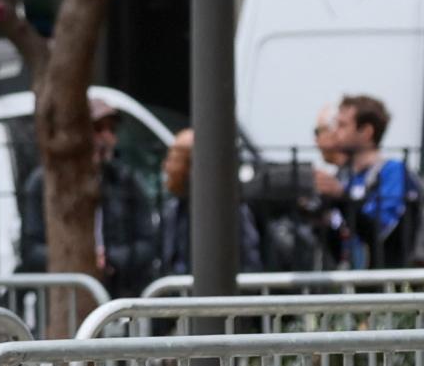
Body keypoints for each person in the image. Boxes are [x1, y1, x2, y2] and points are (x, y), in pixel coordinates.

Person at [18, 97, 156, 299]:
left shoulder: (125, 180)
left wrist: (110, 259)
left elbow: (147, 244)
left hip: (118, 291)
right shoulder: (42, 183)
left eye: (111, 130)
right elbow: (30, 249)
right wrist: (77, 261)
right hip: (64, 294)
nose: (107, 138)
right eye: (98, 129)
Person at [315, 94, 419, 268]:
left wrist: (342, 198)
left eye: (342, 125)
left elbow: (381, 231)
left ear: (366, 132)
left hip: (385, 284)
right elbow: (338, 239)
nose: (335, 133)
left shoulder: (392, 172)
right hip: (352, 283)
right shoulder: (343, 176)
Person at [156, 128, 263, 276]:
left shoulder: (230, 212)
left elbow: (249, 263)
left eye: (172, 159)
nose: (166, 166)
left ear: (190, 166)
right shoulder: (172, 210)